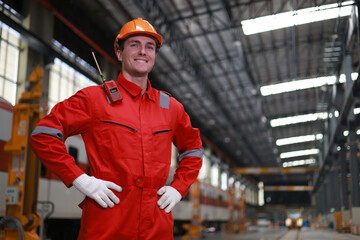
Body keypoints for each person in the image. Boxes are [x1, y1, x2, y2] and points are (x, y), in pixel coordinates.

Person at [30, 18, 203, 239]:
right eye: (134, 45)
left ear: (154, 56)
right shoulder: (94, 100)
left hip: (156, 227)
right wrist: (81, 179)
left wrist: (179, 187)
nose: (142, 51)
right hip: (106, 225)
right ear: (119, 53)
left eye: (149, 47)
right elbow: (43, 136)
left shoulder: (171, 108)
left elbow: (193, 150)